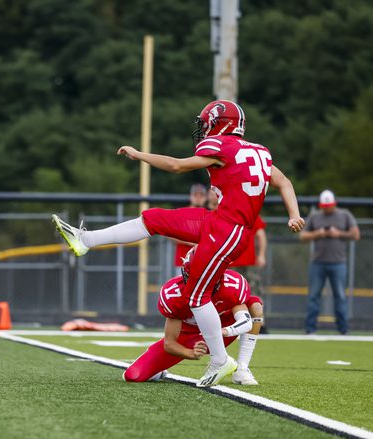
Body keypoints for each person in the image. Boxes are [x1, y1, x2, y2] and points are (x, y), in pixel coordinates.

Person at [52, 100, 304, 387]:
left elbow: (176, 166)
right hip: (219, 221)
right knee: (155, 219)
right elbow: (284, 182)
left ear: (221, 123)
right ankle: (86, 240)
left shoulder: (222, 148)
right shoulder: (259, 151)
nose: (204, 128)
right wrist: (294, 215)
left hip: (227, 229)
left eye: (207, 122)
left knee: (197, 297)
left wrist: (139, 154)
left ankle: (221, 361)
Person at [124, 248, 264, 386]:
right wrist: (189, 353)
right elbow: (169, 343)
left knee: (255, 306)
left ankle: (242, 369)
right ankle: (158, 370)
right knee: (132, 375)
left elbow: (246, 322)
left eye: (205, 278)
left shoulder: (231, 285)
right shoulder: (174, 294)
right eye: (195, 277)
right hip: (188, 338)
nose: (200, 283)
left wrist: (223, 332)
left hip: (223, 329)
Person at [300, 190, 360, 334]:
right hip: (318, 262)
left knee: (340, 295)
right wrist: (318, 233)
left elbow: (356, 234)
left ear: (334, 204)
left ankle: (343, 329)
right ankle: (310, 329)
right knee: (314, 295)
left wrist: (339, 233)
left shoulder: (344, 215)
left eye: (329, 206)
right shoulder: (315, 216)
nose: (326, 208)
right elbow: (303, 236)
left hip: (338, 262)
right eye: (324, 206)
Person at [173, 183, 209, 269]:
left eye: (201, 195)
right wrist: (191, 241)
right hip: (183, 260)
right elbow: (169, 234)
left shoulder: (209, 215)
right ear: (190, 196)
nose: (198, 198)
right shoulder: (181, 213)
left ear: (206, 197)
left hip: (203, 261)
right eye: (195, 195)